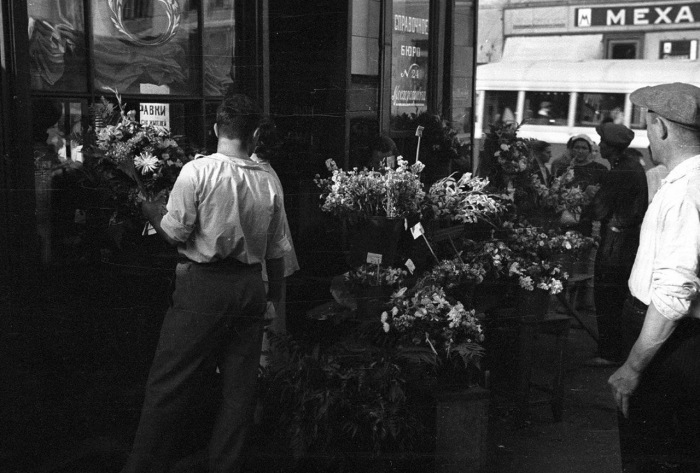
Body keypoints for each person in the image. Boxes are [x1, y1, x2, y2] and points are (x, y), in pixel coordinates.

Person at [121, 94, 291, 472]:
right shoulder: (268, 179)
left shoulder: (196, 172)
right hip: (251, 287)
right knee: (239, 392)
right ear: (256, 135)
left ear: (217, 129)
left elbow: (174, 232)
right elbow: (277, 251)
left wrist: (149, 209)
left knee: (170, 383)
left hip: (205, 287)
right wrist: (272, 302)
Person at [608, 82, 700, 468]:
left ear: (660, 127)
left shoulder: (683, 193)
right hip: (678, 342)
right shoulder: (683, 182)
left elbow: (674, 291)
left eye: (647, 126)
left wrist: (632, 367)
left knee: (653, 453)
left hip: (668, 345)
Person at [587, 123, 648, 367]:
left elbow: (600, 209)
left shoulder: (620, 171)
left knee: (607, 295)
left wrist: (588, 201)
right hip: (627, 240)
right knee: (616, 296)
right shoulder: (631, 166)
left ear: (612, 148)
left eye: (602, 143)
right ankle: (616, 350)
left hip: (616, 242)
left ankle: (609, 353)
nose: (599, 146)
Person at [250, 117, 299, 352]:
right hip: (274, 263)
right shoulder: (267, 172)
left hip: (268, 266)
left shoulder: (256, 174)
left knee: (266, 333)